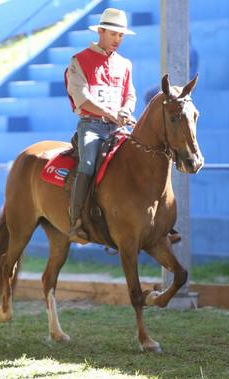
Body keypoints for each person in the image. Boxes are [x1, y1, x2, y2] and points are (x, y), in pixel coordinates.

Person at [65, 8, 136, 244]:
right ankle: (75, 223)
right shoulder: (79, 60)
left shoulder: (125, 64)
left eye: (121, 35)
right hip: (91, 128)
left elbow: (130, 95)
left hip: (117, 128)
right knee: (86, 165)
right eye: (114, 34)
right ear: (101, 31)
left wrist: (125, 111)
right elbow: (81, 98)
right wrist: (109, 113)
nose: (118, 39)